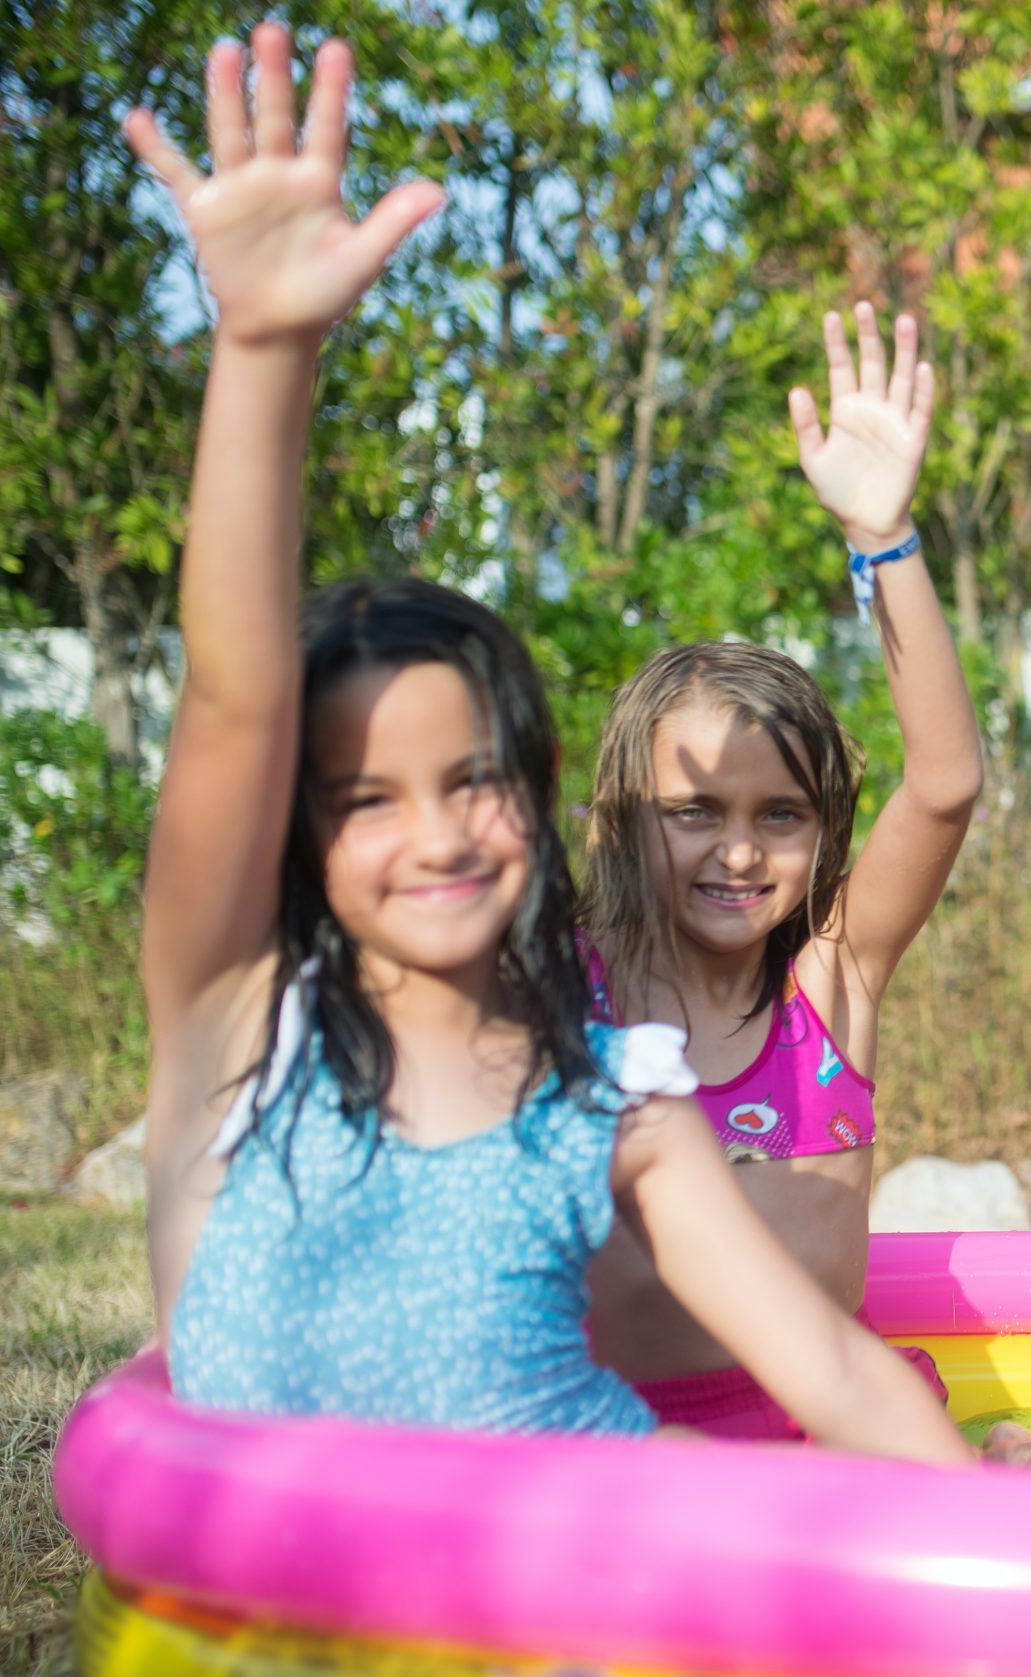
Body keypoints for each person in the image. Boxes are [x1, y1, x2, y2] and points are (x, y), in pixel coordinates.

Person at [128, 24, 968, 1463]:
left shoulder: (616, 1101)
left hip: (609, 1575)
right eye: (362, 800)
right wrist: (266, 350)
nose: (441, 833)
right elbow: (236, 697)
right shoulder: (234, 1021)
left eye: (474, 783)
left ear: (532, 794)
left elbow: (836, 1370)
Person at [576, 306, 981, 1439]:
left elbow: (945, 781)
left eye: (781, 815)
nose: (741, 849)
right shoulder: (569, 988)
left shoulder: (830, 985)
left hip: (825, 1435)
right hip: (628, 1440)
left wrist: (885, 536)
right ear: (621, 814)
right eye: (693, 810)